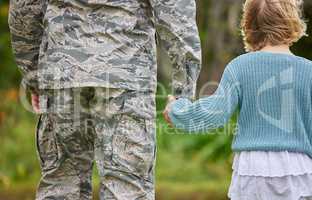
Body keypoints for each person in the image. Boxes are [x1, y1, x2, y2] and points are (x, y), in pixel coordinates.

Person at [8, 0, 202, 199]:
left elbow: (23, 10)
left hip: (61, 71)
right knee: (125, 185)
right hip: (125, 71)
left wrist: (35, 74)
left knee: (61, 184)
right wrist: (183, 92)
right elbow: (176, 13)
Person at [163, 0, 312, 199]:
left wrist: (177, 110)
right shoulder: (308, 70)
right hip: (298, 170)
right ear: (292, 20)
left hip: (252, 169)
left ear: (249, 24)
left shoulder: (239, 67)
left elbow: (214, 114)